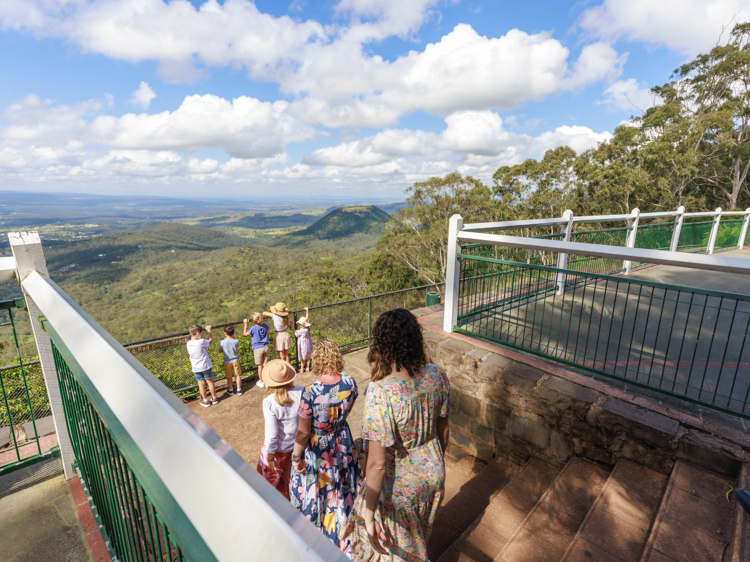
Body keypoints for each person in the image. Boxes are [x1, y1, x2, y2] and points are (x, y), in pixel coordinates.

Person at [341, 309, 450, 562]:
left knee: (392, 552)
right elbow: (443, 430)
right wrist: (434, 463)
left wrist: (368, 515)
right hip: (434, 473)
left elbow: (377, 464)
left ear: (384, 347)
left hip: (399, 489)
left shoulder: (382, 393)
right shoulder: (438, 376)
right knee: (419, 537)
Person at [290, 338, 361, 556]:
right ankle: (345, 523)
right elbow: (347, 409)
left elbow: (303, 432)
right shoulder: (350, 383)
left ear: (317, 359)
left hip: (320, 448)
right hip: (343, 441)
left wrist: (295, 456)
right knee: (342, 483)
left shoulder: (311, 392)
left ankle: (323, 532)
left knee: (323, 487)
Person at [257, 359, 303, 500]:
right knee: (296, 481)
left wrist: (270, 456)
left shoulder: (270, 402)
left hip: (280, 451)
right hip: (299, 448)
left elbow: (272, 434)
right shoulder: (302, 391)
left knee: (279, 486)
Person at [187, 324, 218, 407]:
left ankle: (205, 400)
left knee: (201, 384)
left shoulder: (188, 343)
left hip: (196, 368)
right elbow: (210, 341)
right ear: (197, 333)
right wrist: (209, 332)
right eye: (201, 333)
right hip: (205, 366)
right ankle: (214, 398)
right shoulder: (201, 341)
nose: (202, 334)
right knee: (210, 381)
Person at [244, 313, 270, 389]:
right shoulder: (265, 325)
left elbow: (245, 334)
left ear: (253, 321)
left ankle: (262, 382)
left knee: (260, 366)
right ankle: (267, 381)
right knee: (265, 364)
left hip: (258, 348)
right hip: (266, 346)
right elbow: (267, 335)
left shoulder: (253, 328)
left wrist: (246, 324)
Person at [220, 325, 242, 396]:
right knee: (237, 375)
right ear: (233, 332)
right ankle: (239, 390)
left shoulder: (222, 342)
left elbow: (220, 351)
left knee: (229, 377)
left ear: (225, 333)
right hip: (235, 360)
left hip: (227, 362)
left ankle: (231, 390)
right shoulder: (236, 341)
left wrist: (225, 339)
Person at [295, 307, 313, 373]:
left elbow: (295, 332)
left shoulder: (301, 331)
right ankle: (307, 368)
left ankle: (302, 369)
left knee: (302, 359)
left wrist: (291, 324)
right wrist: (307, 311)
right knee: (308, 358)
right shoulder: (307, 328)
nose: (299, 325)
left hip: (303, 347)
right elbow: (307, 319)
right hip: (308, 345)